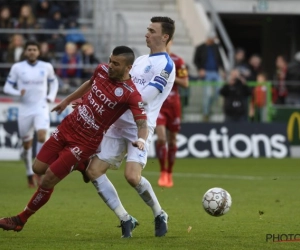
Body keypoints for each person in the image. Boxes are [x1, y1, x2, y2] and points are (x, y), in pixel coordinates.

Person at [0, 46, 148, 233]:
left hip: (84, 142)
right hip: (67, 127)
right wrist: (66, 101)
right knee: (37, 168)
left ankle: (20, 219)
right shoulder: (101, 70)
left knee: (47, 181)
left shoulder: (130, 93)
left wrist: (141, 141)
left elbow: (142, 123)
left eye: (116, 64)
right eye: (110, 60)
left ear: (128, 67)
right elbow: (89, 83)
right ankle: (82, 165)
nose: (110, 65)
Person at [84, 16, 176, 238]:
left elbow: (143, 97)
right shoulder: (142, 59)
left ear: (164, 36)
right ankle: (125, 218)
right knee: (93, 172)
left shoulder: (166, 65)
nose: (147, 33)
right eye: (147, 29)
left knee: (132, 177)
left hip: (139, 127)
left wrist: (114, 96)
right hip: (117, 125)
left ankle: (159, 213)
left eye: (152, 30)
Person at [3, 40, 59, 188]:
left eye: (34, 49)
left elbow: (54, 83)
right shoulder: (17, 68)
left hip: (41, 106)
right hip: (25, 109)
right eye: (29, 49)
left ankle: (38, 171)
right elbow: (7, 86)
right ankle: (29, 172)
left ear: (39, 52)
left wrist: (50, 97)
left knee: (42, 136)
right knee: (26, 144)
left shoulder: (46, 67)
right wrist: (17, 92)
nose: (32, 52)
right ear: (25, 52)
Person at [156, 39, 189, 188]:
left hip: (174, 104)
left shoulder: (178, 60)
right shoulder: (155, 60)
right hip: (160, 104)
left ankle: (170, 172)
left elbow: (186, 83)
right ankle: (163, 171)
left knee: (173, 140)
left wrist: (171, 77)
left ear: (171, 43)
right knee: (162, 138)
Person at [193, 30, 224, 122]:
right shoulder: (200, 48)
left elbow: (219, 59)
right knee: (208, 94)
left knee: (220, 91)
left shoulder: (215, 47)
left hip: (215, 72)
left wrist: (223, 70)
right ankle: (206, 112)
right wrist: (200, 69)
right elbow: (195, 60)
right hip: (206, 72)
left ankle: (210, 107)